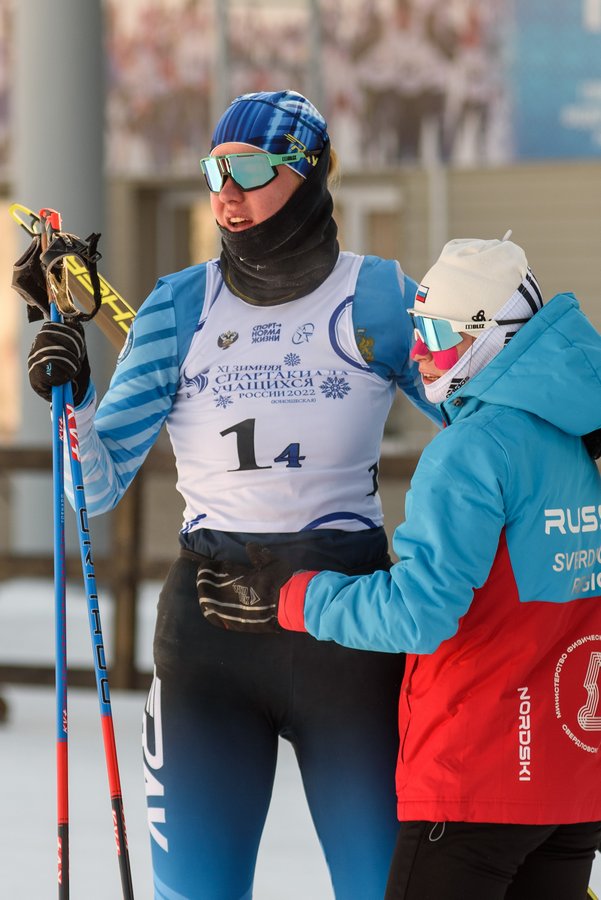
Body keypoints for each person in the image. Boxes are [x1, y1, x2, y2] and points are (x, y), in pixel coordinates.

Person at [26, 90, 441, 899]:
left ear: (308, 171)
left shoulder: (379, 296)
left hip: (348, 636)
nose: (226, 194)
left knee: (388, 889)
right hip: (209, 638)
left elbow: (482, 423)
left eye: (248, 172)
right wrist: (70, 397)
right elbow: (94, 488)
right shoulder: (178, 307)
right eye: (214, 172)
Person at [194, 235, 601, 900]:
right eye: (417, 329)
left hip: (475, 783)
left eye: (436, 334)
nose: (417, 353)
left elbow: (419, 612)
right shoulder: (580, 438)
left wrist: (292, 597)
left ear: (489, 335)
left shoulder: (473, 450)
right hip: (570, 784)